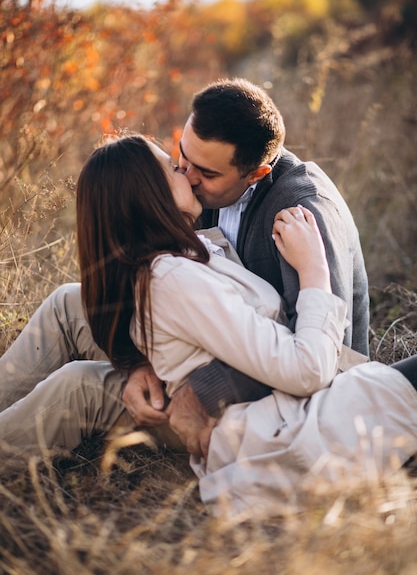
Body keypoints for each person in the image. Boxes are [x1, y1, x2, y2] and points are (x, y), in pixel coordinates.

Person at [0, 134, 415, 521]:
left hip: (265, 394)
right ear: (151, 195)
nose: (187, 171)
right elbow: (306, 370)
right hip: (274, 419)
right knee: (71, 344)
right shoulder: (173, 275)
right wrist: (314, 271)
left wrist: (154, 362)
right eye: (173, 167)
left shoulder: (174, 256)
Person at [124, 77, 370, 430]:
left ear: (256, 174)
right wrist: (138, 361)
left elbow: (330, 353)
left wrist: (207, 391)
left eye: (206, 172)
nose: (186, 176)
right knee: (67, 306)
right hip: (218, 346)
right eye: (183, 154)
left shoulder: (303, 213)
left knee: (77, 387)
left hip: (293, 402)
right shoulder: (198, 189)